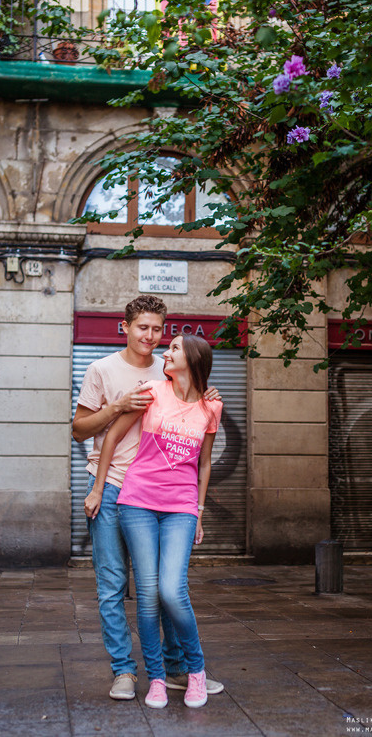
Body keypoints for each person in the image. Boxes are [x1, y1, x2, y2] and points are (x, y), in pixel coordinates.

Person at [74, 295, 223, 701]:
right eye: (143, 327)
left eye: (158, 329)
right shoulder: (101, 369)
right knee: (112, 584)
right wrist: (117, 407)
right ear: (125, 327)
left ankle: (175, 669)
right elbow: (79, 429)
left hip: (160, 493)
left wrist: (206, 394)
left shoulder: (168, 366)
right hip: (112, 485)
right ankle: (124, 670)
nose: (151, 336)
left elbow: (195, 406)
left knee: (163, 587)